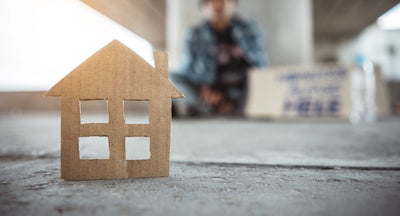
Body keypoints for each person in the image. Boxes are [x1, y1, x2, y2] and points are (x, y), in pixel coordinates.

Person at [171, 0, 268, 117]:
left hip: (240, 89)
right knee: (172, 77)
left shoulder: (250, 29)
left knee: (263, 80)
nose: (217, 5)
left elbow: (261, 66)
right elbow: (186, 70)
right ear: (204, 6)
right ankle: (203, 106)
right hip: (208, 88)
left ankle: (206, 108)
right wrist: (204, 90)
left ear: (233, 4)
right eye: (211, 2)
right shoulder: (194, 33)